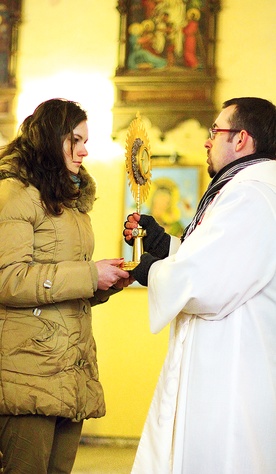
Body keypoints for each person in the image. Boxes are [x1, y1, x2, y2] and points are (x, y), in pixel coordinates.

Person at [124, 97, 276, 473]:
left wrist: (148, 269)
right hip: (228, 358)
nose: (207, 141)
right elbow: (218, 261)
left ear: (241, 139)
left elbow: (207, 281)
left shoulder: (251, 193)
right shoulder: (241, 187)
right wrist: (165, 247)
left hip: (233, 367)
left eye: (215, 131)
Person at [0, 98, 133, 474]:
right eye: (75, 140)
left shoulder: (69, 202)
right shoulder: (13, 194)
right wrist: (90, 274)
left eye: (86, 140)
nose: (85, 150)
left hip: (70, 364)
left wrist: (106, 282)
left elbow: (62, 277)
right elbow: (7, 279)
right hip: (26, 368)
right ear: (49, 138)